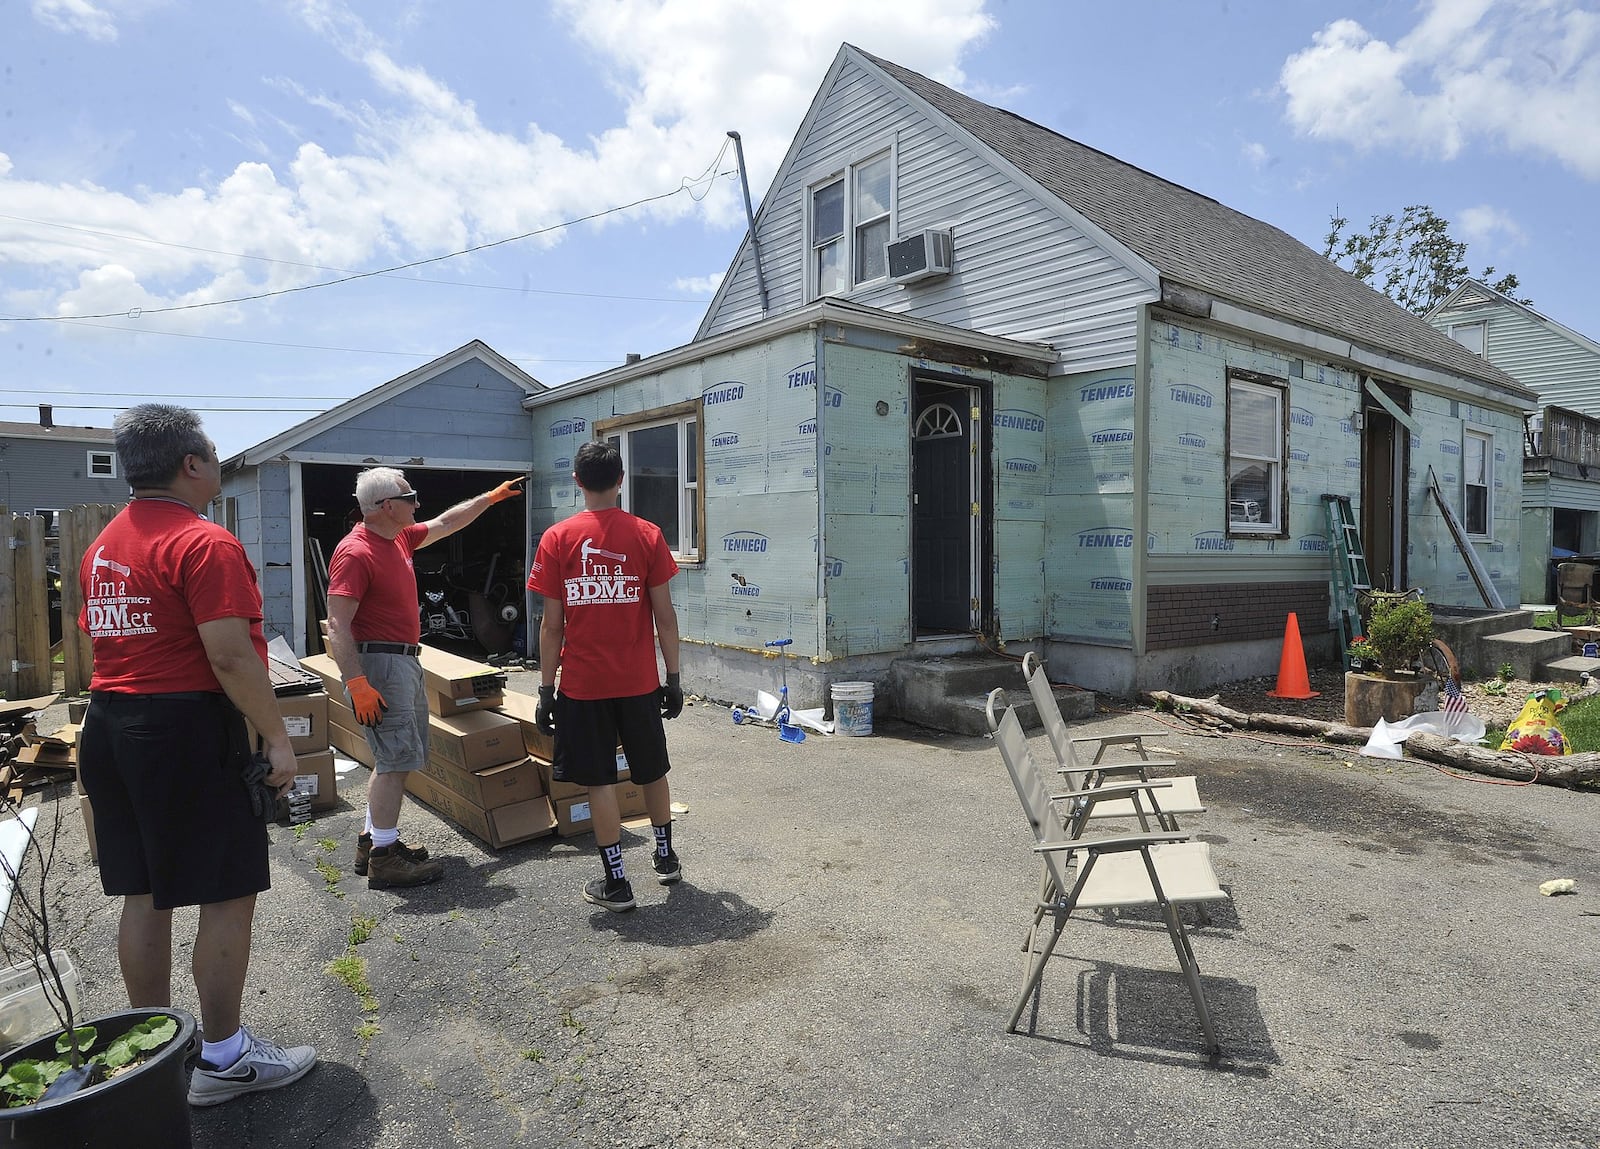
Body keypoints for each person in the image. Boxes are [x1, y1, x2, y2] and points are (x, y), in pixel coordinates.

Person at [76, 403, 318, 1107]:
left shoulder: (103, 547)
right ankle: (224, 1058)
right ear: (191, 464)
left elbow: (111, 638)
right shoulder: (202, 542)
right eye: (214, 457)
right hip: (183, 727)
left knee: (144, 892)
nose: (218, 467)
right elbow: (230, 655)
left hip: (111, 722)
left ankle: (151, 1058)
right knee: (225, 891)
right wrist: (277, 736)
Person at [325, 467, 523, 888]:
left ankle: (374, 840)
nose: (418, 503)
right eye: (410, 496)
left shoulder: (398, 537)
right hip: (379, 665)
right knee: (396, 760)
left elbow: (448, 522)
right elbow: (338, 625)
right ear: (385, 506)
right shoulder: (356, 552)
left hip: (402, 661)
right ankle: (384, 858)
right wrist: (357, 683)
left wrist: (488, 498)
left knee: (393, 758)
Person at [528, 440, 684, 913]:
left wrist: (544, 688)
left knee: (600, 782)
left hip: (583, 686)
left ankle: (616, 882)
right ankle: (665, 856)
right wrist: (673, 678)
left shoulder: (557, 538)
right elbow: (665, 615)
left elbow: (552, 624)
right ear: (621, 480)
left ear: (577, 481)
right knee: (652, 770)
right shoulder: (647, 534)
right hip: (638, 683)